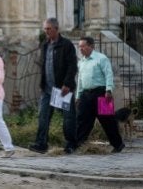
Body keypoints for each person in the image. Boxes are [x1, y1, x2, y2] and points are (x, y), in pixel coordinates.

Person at [28, 17, 78, 154]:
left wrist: (67, 84)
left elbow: (72, 66)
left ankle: (71, 144)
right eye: (45, 29)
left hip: (63, 89)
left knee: (68, 118)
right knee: (43, 116)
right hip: (47, 89)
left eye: (49, 29)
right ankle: (41, 143)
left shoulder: (66, 45)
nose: (46, 31)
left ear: (57, 29)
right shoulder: (45, 45)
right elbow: (44, 65)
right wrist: (42, 83)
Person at [75, 36, 124, 153]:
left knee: (108, 121)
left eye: (83, 46)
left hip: (102, 93)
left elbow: (108, 74)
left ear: (91, 46)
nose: (80, 49)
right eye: (79, 46)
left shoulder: (101, 58)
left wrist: (108, 90)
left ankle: (118, 144)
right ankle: (78, 144)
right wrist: (78, 96)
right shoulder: (81, 62)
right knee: (82, 119)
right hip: (86, 95)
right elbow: (80, 80)